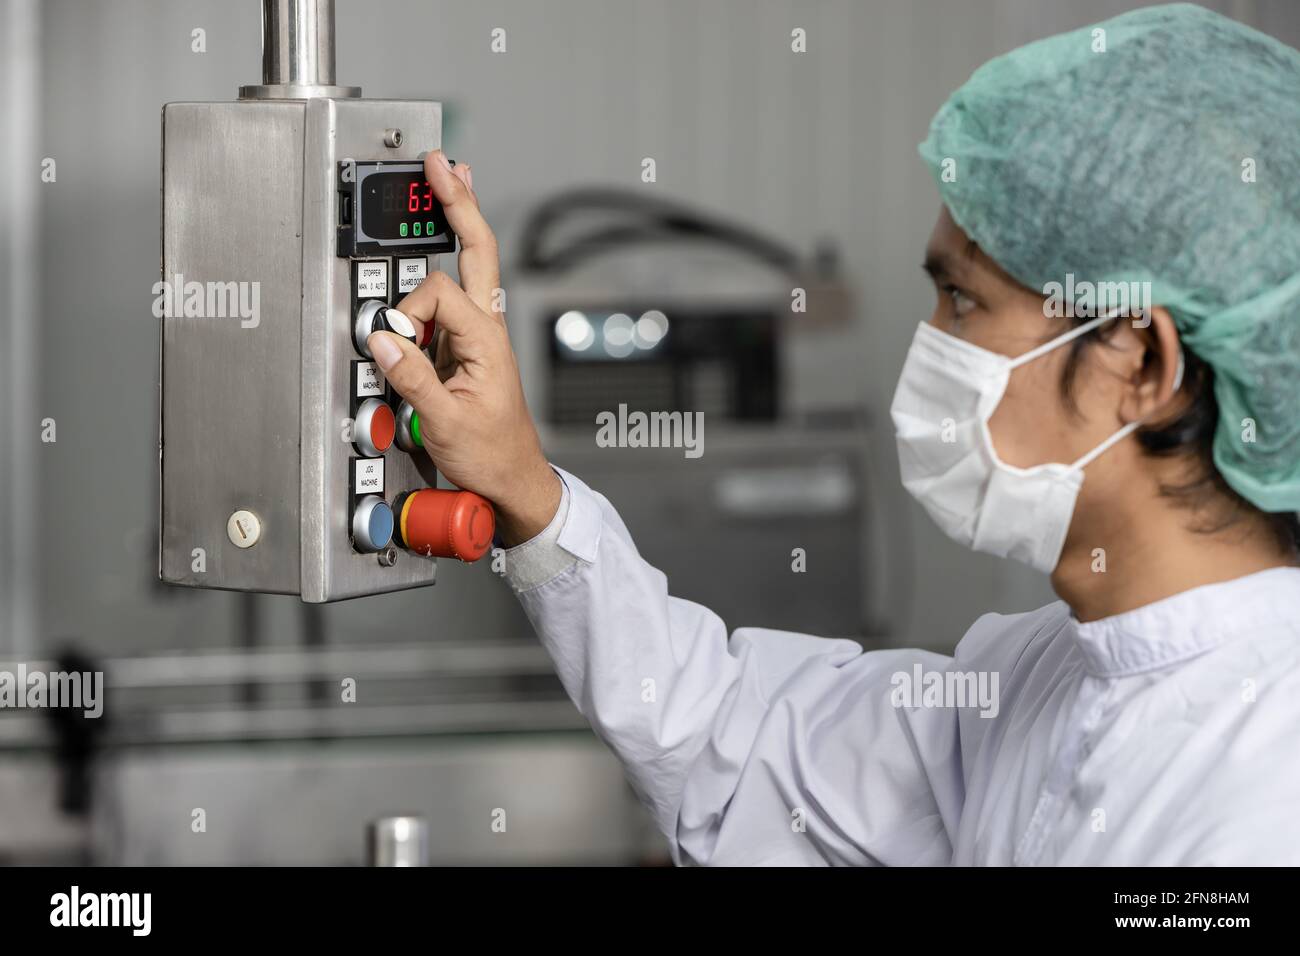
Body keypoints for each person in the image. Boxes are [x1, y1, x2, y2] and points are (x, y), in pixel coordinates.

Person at [365, 4, 1300, 864]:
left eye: (963, 300)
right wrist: (526, 491)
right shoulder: (1046, 678)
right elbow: (738, 750)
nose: (928, 344)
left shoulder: (1261, 786)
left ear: (1139, 364)